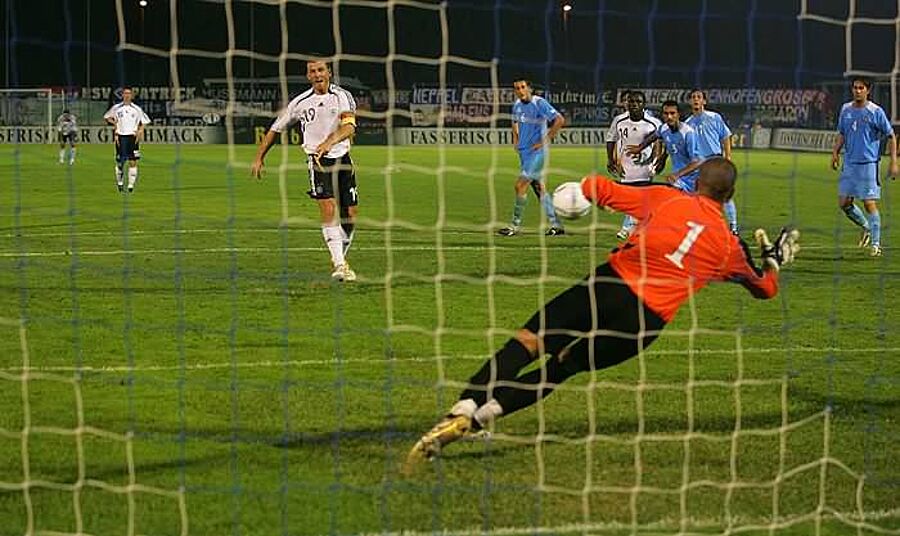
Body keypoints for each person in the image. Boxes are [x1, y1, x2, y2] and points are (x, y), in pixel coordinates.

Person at [404, 158, 799, 470]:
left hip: (609, 285)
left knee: (530, 341)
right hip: (645, 322)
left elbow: (599, 187)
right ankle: (477, 422)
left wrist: (578, 193)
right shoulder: (729, 247)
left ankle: (464, 407)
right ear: (729, 196)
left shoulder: (666, 198)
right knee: (560, 368)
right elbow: (765, 288)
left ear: (697, 183)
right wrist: (773, 261)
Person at [252, 60, 359, 282]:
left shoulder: (342, 96)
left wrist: (329, 142)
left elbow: (349, 126)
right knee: (328, 208)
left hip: (343, 159)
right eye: (312, 71)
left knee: (350, 216)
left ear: (329, 72)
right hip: (317, 161)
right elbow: (275, 129)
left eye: (321, 70)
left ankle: (340, 257)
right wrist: (259, 157)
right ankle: (340, 264)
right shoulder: (300, 102)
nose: (317, 74)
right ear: (308, 76)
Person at [831, 76, 898, 257]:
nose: (857, 91)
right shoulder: (845, 109)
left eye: (861, 88)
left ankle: (876, 245)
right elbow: (842, 133)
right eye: (855, 87)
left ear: (868, 90)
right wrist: (835, 152)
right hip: (849, 163)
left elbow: (891, 136)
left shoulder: (875, 111)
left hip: (868, 164)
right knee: (844, 203)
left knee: (869, 203)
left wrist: (893, 161)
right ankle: (866, 227)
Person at [498, 78, 566, 237]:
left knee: (520, 185)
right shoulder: (517, 105)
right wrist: (516, 140)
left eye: (523, 87)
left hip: (537, 152)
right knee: (538, 187)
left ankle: (514, 226)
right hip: (524, 152)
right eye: (517, 88)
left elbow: (559, 120)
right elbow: (514, 122)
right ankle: (556, 224)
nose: (520, 91)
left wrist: (545, 140)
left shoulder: (539, 103)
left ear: (529, 89)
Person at [605, 90, 662, 240]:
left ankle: (627, 228)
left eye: (638, 102)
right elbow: (611, 139)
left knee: (639, 198)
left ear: (644, 104)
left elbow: (659, 142)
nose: (634, 104)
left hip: (645, 167)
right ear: (626, 103)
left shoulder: (653, 123)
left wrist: (655, 161)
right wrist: (611, 160)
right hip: (626, 166)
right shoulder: (619, 121)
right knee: (630, 199)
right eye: (631, 101)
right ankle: (639, 227)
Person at [685, 89, 738, 234]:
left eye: (699, 97)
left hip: (715, 160)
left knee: (723, 192)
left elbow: (725, 136)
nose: (696, 99)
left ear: (704, 101)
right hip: (699, 165)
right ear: (690, 102)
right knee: (700, 196)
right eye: (693, 97)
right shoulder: (687, 124)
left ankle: (733, 226)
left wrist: (728, 157)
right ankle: (705, 226)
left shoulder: (714, 117)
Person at [627, 100, 702, 192]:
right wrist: (639, 148)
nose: (669, 117)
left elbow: (696, 162)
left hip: (691, 179)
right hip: (677, 180)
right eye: (666, 113)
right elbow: (653, 136)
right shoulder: (664, 128)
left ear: (678, 115)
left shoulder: (688, 133)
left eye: (672, 113)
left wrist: (677, 174)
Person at [103, 87, 151, 193]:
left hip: (133, 137)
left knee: (133, 161)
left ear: (132, 96)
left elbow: (145, 121)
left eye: (129, 93)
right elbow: (106, 117)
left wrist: (140, 130)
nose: (127, 95)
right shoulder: (116, 108)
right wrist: (115, 123)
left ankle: (130, 186)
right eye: (125, 93)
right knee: (120, 162)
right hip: (120, 136)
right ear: (122, 95)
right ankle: (120, 183)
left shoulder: (137, 109)